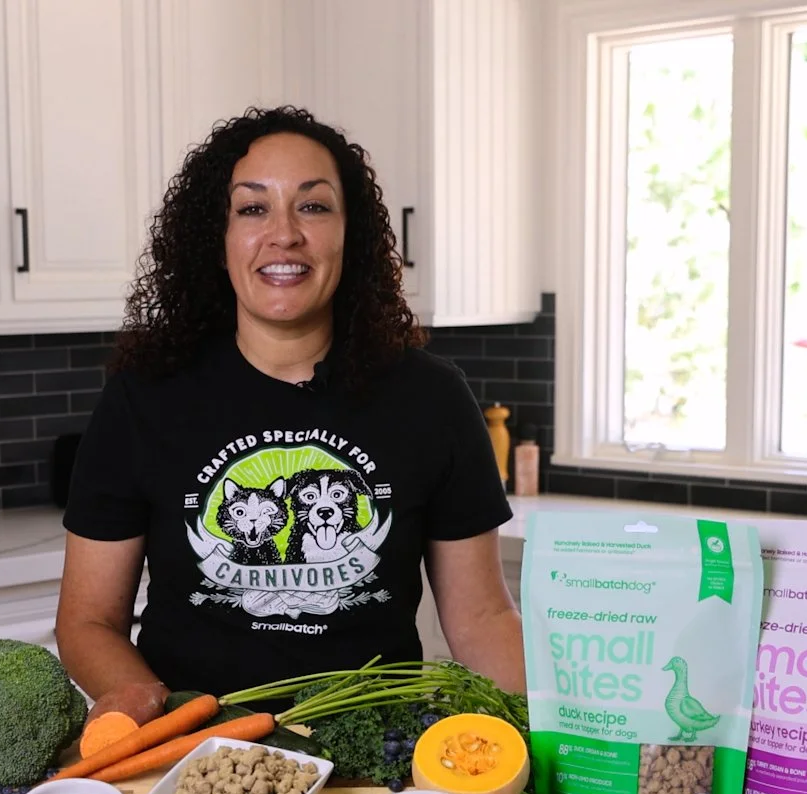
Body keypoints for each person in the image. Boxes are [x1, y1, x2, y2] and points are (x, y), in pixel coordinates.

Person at [56, 106, 523, 727]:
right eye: (253, 208)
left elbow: (483, 618)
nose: (284, 234)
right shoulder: (143, 399)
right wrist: (164, 718)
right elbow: (88, 621)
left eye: (313, 206)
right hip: (195, 757)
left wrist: (571, 736)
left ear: (350, 234)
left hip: (373, 758)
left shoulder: (432, 400)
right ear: (217, 238)